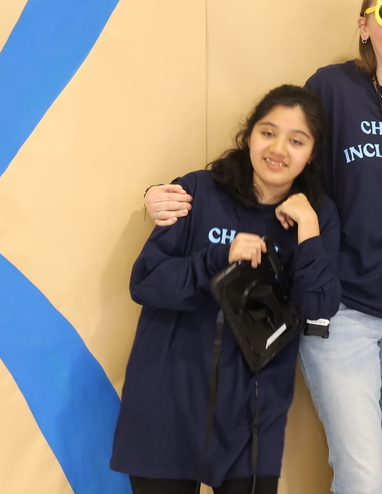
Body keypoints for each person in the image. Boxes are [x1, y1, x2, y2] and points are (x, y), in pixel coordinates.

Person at [145, 0, 382, 494]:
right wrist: (172, 192)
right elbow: (279, 156)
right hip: (340, 309)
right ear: (364, 26)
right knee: (363, 477)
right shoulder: (334, 89)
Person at [112, 85, 341, 494]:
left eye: (297, 140)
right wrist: (219, 258)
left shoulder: (317, 213)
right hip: (169, 399)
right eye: (268, 132)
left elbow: (317, 308)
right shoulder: (198, 191)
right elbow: (146, 280)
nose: (278, 149)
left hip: (252, 416)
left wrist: (308, 230)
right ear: (249, 135)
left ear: (312, 153)